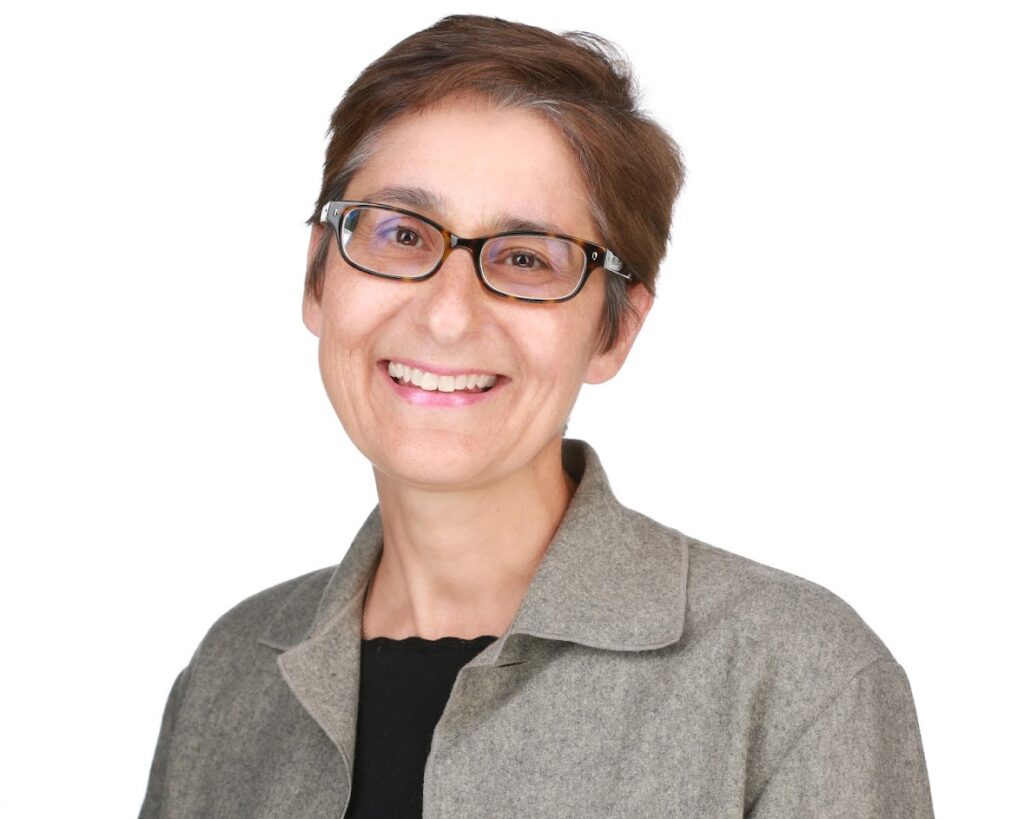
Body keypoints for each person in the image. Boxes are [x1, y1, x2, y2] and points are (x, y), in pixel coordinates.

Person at [138, 14, 934, 818]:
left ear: (615, 330)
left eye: (525, 258)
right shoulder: (227, 680)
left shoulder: (797, 681)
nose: (448, 314)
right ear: (318, 274)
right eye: (402, 233)